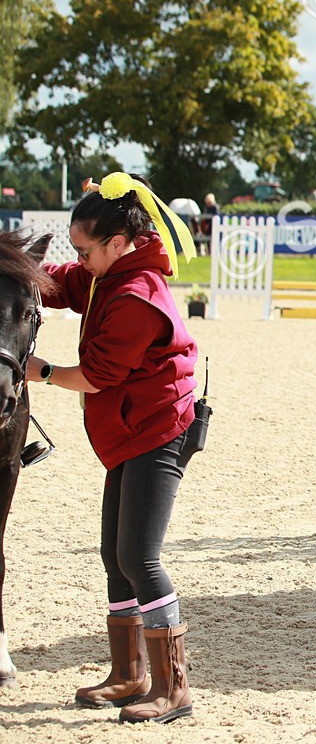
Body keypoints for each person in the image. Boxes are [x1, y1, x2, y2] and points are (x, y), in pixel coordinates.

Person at [26, 171, 199, 724]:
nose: (79, 260)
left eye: (85, 249)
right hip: (130, 431)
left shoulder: (136, 295)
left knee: (140, 558)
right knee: (113, 555)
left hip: (157, 432)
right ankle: (128, 675)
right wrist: (20, 272)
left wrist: (42, 371)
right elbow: (66, 284)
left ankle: (174, 687)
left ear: (119, 244)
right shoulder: (105, 275)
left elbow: (97, 375)